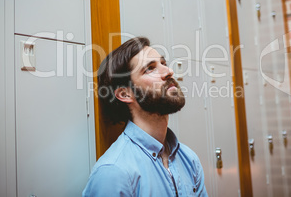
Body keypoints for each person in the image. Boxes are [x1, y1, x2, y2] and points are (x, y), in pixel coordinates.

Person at [82, 37, 208, 197]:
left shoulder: (189, 159)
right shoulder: (113, 173)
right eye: (150, 68)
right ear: (125, 93)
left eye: (163, 63)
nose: (168, 71)